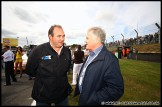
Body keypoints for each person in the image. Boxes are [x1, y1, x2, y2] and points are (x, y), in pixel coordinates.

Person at [74, 27, 124, 106]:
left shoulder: (110, 59)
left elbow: (116, 89)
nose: (85, 40)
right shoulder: (90, 55)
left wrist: (93, 100)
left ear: (96, 39)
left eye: (87, 38)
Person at [25, 24, 72, 106]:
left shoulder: (67, 51)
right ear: (50, 37)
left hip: (62, 94)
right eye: (59, 36)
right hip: (43, 95)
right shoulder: (38, 50)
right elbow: (30, 70)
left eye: (63, 36)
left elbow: (67, 68)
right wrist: (45, 79)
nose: (62, 39)